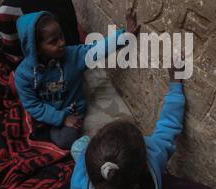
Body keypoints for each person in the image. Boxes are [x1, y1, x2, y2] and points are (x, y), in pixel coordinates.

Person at [14, 10, 140, 149]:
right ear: (35, 48)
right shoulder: (23, 75)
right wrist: (61, 119)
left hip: (72, 111)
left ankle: (49, 132)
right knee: (42, 128)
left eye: (61, 36)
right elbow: (32, 105)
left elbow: (96, 50)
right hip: (48, 113)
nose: (62, 43)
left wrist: (125, 36)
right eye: (53, 41)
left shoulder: (73, 56)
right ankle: (47, 130)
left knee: (66, 140)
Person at [65, 65, 186, 189]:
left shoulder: (79, 185)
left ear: (89, 174)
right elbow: (169, 126)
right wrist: (175, 84)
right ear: (145, 163)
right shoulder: (155, 156)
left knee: (78, 145)